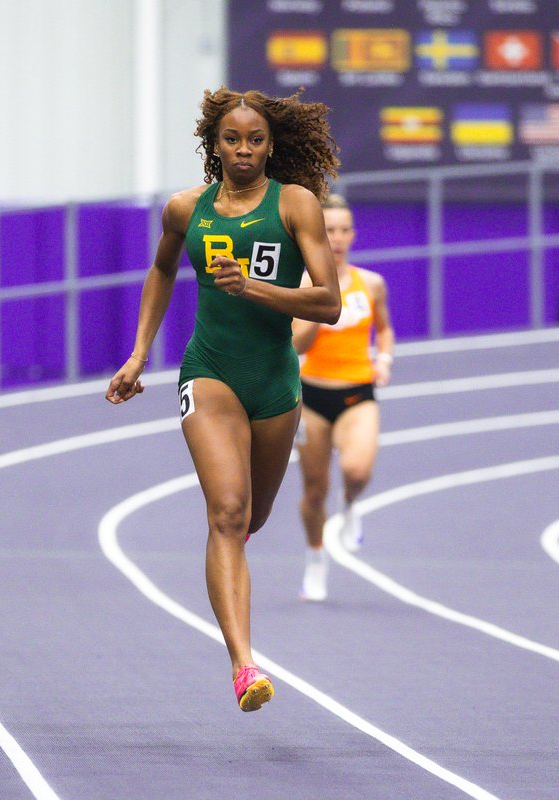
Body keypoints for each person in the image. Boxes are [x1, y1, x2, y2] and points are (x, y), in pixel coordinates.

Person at [105, 88, 341, 711]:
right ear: (214, 144)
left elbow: (329, 302)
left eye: (255, 140)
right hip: (208, 370)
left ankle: (232, 580)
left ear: (272, 146)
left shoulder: (295, 205)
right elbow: (160, 272)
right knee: (227, 515)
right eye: (232, 140)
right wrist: (138, 353)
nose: (243, 150)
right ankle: (244, 665)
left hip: (275, 380)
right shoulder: (186, 209)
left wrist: (258, 288)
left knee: (253, 519)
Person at [292, 194, 394, 602]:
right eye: (328, 230)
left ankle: (351, 503)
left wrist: (383, 359)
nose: (336, 238)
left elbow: (384, 328)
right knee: (314, 490)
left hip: (358, 390)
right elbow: (295, 345)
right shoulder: (301, 284)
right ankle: (316, 561)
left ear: (352, 234)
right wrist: (318, 314)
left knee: (356, 469)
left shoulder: (370, 283)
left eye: (343, 230)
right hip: (312, 394)